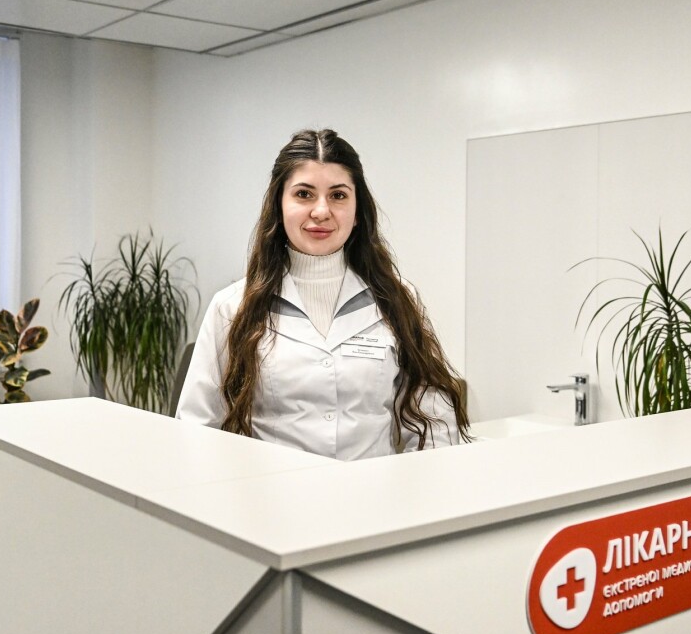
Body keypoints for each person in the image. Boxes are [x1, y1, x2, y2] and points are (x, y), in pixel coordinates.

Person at [176, 129, 470, 459]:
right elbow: (197, 430)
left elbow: (435, 424)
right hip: (270, 490)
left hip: (374, 490)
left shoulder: (397, 299)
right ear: (279, 206)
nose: (321, 211)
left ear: (357, 212)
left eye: (338, 195)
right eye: (304, 194)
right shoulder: (231, 307)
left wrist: (419, 486)